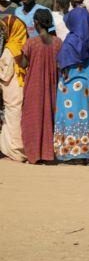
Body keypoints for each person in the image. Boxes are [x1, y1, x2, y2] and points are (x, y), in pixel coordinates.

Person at [54, 0, 89, 163]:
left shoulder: (69, 42)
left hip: (70, 94)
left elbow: (63, 67)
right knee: (88, 118)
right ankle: (88, 152)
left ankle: (72, 153)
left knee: (71, 119)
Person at [16, 13, 58, 164]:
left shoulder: (31, 43)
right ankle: (48, 154)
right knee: (49, 117)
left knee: (32, 118)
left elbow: (23, 64)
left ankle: (34, 154)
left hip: (34, 85)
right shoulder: (58, 42)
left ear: (36, 23)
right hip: (52, 86)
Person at [0, 14, 29, 161]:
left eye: (5, 29)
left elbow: (5, 74)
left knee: (12, 118)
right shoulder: (23, 45)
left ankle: (16, 152)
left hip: (11, 88)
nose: (3, 32)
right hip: (20, 87)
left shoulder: (10, 49)